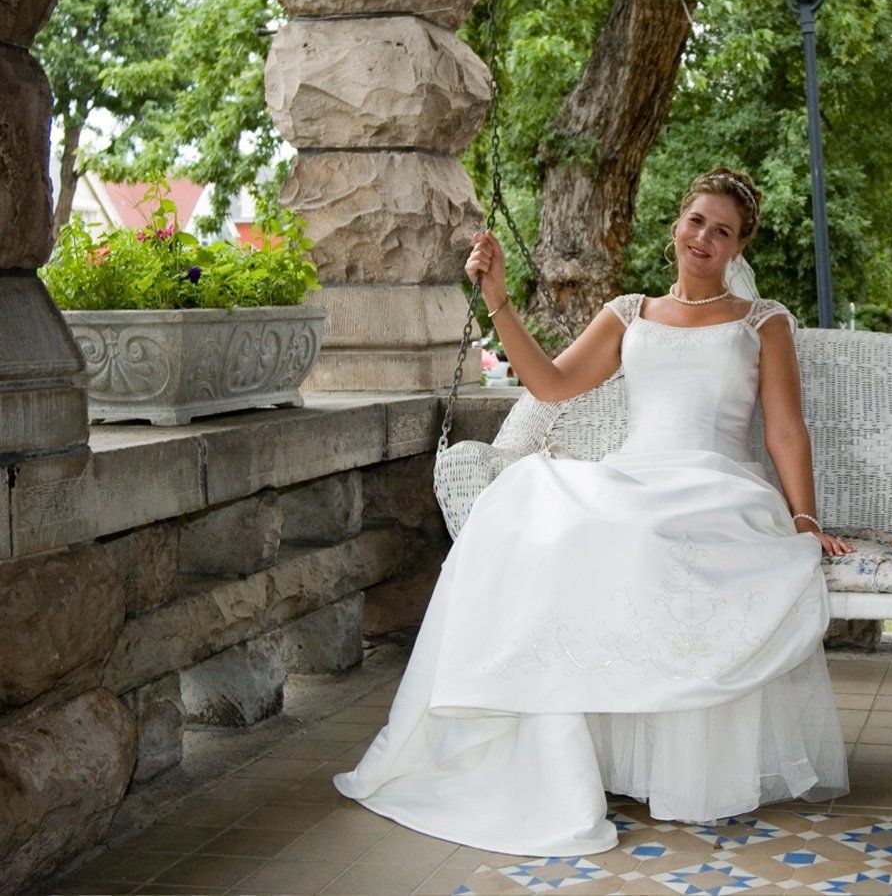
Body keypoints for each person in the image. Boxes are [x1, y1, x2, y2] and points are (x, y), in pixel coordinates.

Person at [333, 167, 851, 857]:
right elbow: (549, 384)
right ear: (678, 224)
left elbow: (785, 430)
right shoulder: (628, 311)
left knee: (647, 536)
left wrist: (805, 519)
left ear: (737, 248)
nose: (704, 237)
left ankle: (661, 760)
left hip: (718, 480)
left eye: (721, 231)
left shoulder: (762, 322)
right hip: (634, 473)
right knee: (533, 508)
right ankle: (539, 743)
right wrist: (498, 302)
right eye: (697, 220)